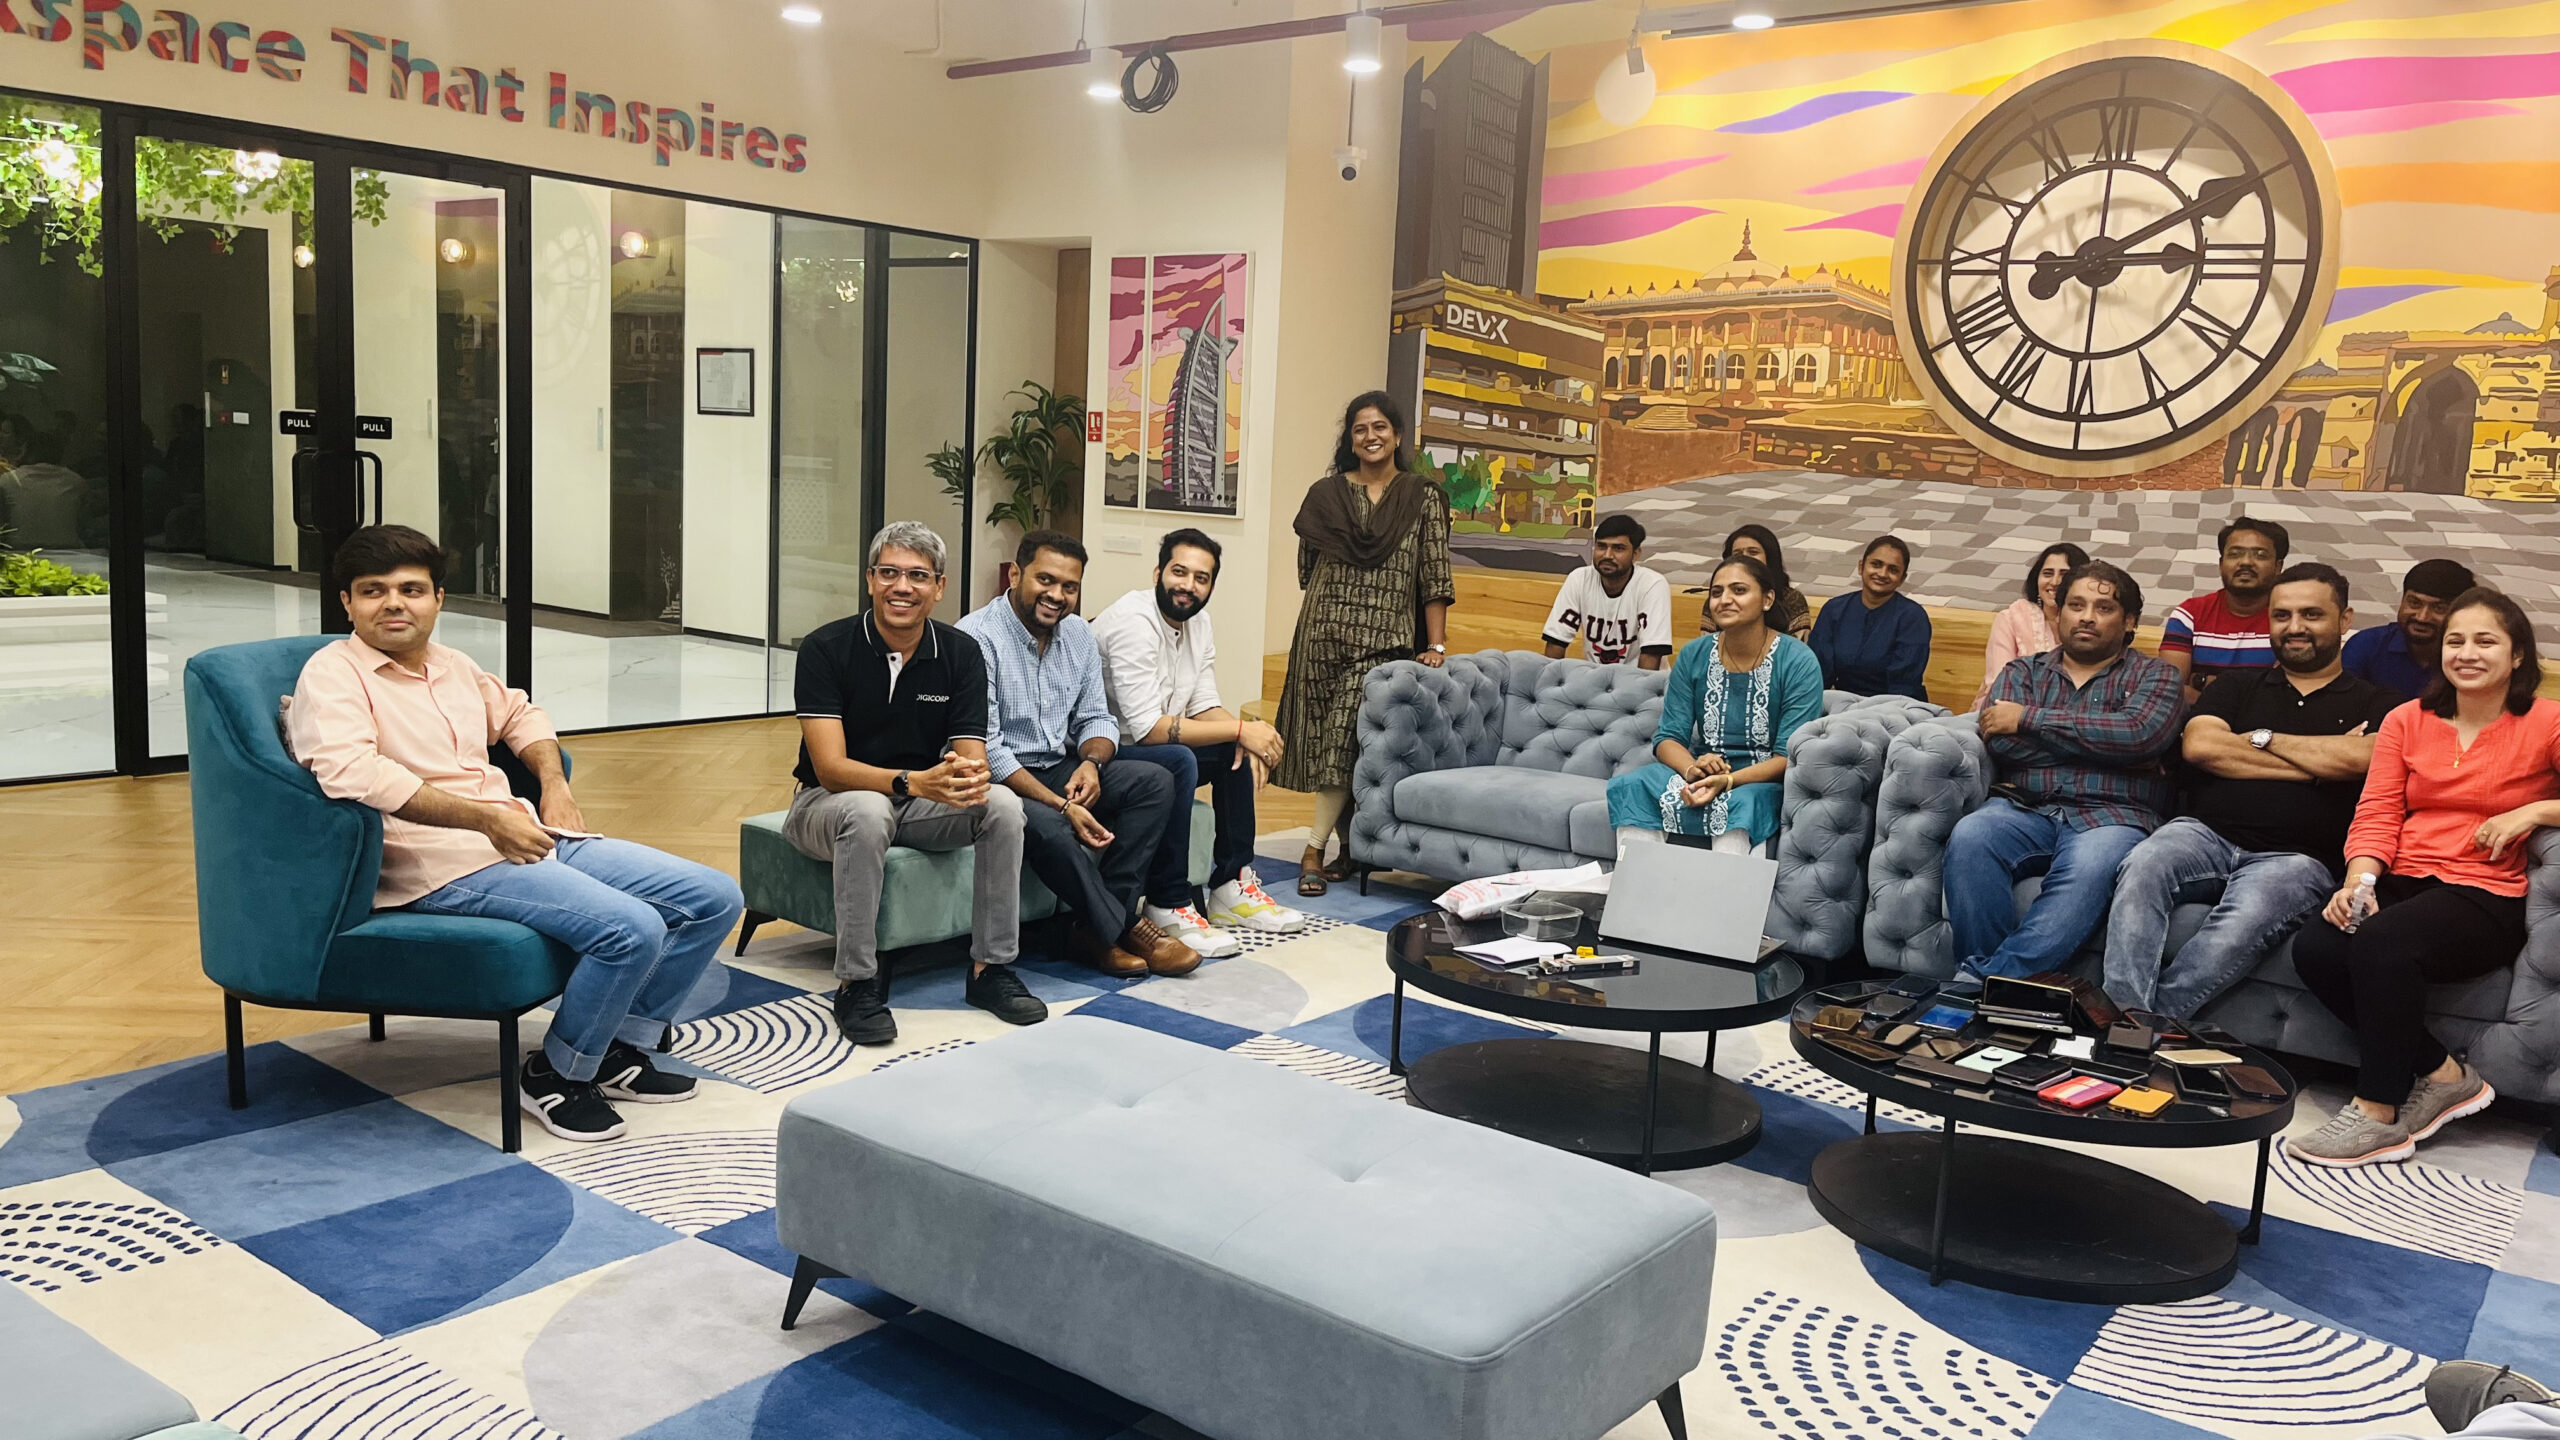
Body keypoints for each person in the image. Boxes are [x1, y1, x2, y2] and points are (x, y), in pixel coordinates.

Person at [287, 525, 743, 1143]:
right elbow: (351, 772)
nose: (394, 604)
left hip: (521, 832)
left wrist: (554, 785)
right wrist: (484, 818)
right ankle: (556, 1072)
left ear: (438, 599)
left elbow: (522, 714)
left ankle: (613, 1047)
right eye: (374, 591)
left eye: (411, 590)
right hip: (437, 862)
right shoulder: (334, 674)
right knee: (630, 928)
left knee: (713, 897)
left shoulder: (451, 665)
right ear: (348, 603)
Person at [2285, 587, 2560, 1168]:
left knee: (2383, 942)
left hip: (2484, 892)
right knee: (2318, 947)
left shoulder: (2546, 721)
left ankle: (2378, 1112)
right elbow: (2379, 810)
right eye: (2455, 641)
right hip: (2405, 877)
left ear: (2516, 655)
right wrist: (2358, 882)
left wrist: (2534, 811)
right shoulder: (2407, 720)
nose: (2467, 653)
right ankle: (2443, 1074)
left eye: (2485, 641)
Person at [781, 521, 1045, 1047]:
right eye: (889, 573)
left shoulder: (961, 653)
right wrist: (913, 783)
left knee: (1002, 805)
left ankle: (990, 969)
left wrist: (963, 777)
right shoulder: (825, 648)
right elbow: (830, 768)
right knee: (868, 810)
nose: (902, 587)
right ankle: (857, 983)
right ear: (870, 580)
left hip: (920, 801)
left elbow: (971, 759)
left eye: (918, 576)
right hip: (826, 804)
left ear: (939, 587)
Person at [2102, 563, 2401, 1017]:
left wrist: (2260, 738)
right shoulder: (2237, 686)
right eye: (2282, 615)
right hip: (2203, 833)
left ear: (2345, 620)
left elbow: (2364, 758)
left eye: (2311, 615)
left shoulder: (2381, 702)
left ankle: (2142, 1024)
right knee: (2143, 864)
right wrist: (2318, 766)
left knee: (2242, 921)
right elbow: (2201, 747)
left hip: (2298, 858)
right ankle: (2124, 1018)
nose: (2294, 627)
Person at [960, 531, 1211, 979]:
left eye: (1069, 586)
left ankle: (1094, 930)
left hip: (1060, 765)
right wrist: (1061, 805)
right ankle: (1125, 928)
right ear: (1015, 575)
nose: (1057, 595)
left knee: (1155, 781)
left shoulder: (1078, 634)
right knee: (1054, 828)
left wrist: (1092, 765)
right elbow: (989, 749)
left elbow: (1097, 718)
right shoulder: (977, 638)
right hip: (999, 781)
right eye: (1045, 580)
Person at [1950, 561, 2184, 977]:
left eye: (2104, 608)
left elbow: (2139, 734)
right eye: (2076, 605)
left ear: (2130, 621)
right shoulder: (2023, 671)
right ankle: (1988, 980)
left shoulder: (2157, 675)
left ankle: (1981, 983)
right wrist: (2111, 748)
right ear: (2059, 614)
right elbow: (2001, 741)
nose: (2087, 617)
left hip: (2113, 817)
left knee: (2092, 865)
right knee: (1972, 835)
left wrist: (2030, 719)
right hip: (2025, 807)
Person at [1272, 390, 1454, 898]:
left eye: (1379, 427)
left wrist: (1436, 645)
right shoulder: (1325, 495)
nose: (1370, 437)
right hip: (1321, 636)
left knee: (1339, 740)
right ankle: (1352, 846)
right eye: (1359, 429)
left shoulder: (1422, 496)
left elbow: (1434, 575)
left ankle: (1312, 849)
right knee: (1334, 747)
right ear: (1350, 440)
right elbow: (1308, 571)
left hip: (1384, 642)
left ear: (1397, 436)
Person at [1093, 527, 1310, 940]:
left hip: (1150, 748)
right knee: (1180, 759)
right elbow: (1147, 729)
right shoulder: (1132, 622)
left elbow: (1204, 704)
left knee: (1229, 746)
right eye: (1179, 572)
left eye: (1201, 578)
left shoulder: (1199, 623)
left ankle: (1231, 885)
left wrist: (1246, 736)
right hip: (1105, 754)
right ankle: (1168, 902)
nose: (1188, 585)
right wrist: (1243, 728)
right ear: (1157, 573)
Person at [1606, 555, 1824, 855]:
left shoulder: (1798, 660)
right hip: (1703, 771)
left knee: (1743, 803)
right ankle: (1636, 882)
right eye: (1717, 592)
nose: (1725, 600)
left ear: (1767, 599)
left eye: (1739, 590)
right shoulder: (1694, 654)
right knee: (1633, 784)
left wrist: (1729, 780)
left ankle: (1728, 889)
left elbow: (1789, 755)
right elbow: (1668, 738)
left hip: (1762, 781)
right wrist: (1693, 769)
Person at [2162, 515, 2289, 703]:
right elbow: (2169, 690)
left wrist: (2201, 681)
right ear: (2221, 564)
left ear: (2278, 567)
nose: (2246, 562)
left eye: (2260, 555)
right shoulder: (2190, 615)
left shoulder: (2290, 618)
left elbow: (2283, 693)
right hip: (2196, 719)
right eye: (2235, 554)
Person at [1808, 534, 1931, 701]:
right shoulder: (1834, 610)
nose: (1882, 573)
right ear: (1861, 566)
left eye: (1893, 570)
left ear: (1902, 579)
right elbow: (1819, 675)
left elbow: (1903, 687)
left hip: (1895, 708)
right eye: (1876, 564)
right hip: (1843, 704)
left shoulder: (1913, 618)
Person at [1541, 513, 1674, 669]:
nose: (1607, 555)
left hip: (1642, 679)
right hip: (1595, 679)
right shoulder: (1579, 579)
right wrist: (1550, 682)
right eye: (1601, 546)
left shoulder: (1652, 584)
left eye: (1618, 548)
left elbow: (1651, 655)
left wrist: (1636, 686)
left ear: (1636, 553)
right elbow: (1556, 642)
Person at [1973, 542, 2087, 711]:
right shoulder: (2011, 619)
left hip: (2069, 717)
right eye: (2047, 573)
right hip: (2004, 710)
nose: (2055, 582)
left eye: (2065, 574)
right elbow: (2000, 682)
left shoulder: (2088, 626)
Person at [2344, 557, 2477, 700]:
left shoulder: (2471, 657)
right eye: (2414, 603)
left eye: (2439, 608)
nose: (2422, 617)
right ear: (2402, 601)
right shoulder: (2367, 645)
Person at [1703, 523, 1813, 641]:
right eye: (1737, 554)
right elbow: (1707, 646)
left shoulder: (1792, 599)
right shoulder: (1718, 601)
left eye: (1753, 552)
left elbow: (1797, 648)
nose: (1745, 558)